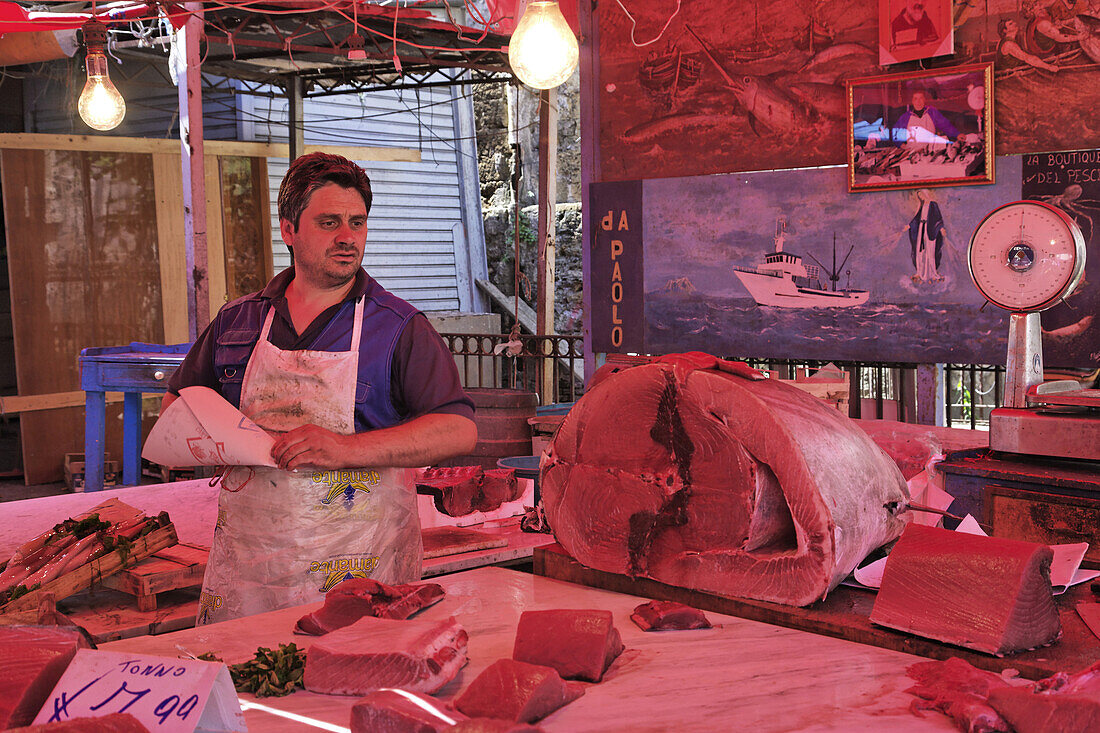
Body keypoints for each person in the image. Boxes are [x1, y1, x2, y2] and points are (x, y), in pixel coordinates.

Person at [162, 152, 477, 624]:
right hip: (250, 571)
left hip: (362, 571)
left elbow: (457, 430)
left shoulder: (398, 327)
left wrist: (345, 449)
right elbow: (178, 405)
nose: (347, 237)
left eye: (357, 222)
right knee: (247, 683)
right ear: (289, 230)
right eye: (329, 222)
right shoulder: (237, 320)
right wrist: (222, 443)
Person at [903, 188, 947, 283]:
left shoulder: (933, 205)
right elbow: (917, 218)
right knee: (920, 251)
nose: (921, 197)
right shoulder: (922, 206)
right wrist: (909, 226)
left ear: (925, 194)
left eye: (921, 195)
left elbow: (938, 217)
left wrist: (941, 228)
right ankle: (920, 272)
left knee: (930, 251)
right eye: (919, 196)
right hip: (921, 230)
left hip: (930, 230)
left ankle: (932, 273)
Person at [892, 89, 959, 150]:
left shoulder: (932, 113)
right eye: (916, 99)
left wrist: (957, 134)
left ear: (925, 99)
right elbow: (896, 132)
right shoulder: (905, 117)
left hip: (930, 150)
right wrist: (902, 145)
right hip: (912, 151)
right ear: (912, 101)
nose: (918, 102)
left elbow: (945, 125)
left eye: (921, 98)